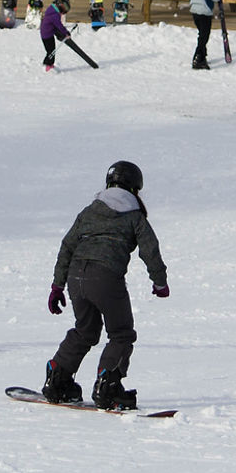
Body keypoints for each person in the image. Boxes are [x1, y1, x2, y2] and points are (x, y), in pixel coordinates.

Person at [42, 160, 169, 410]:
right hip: (106, 277)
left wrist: (57, 286)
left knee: (85, 331)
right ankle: (108, 387)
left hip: (76, 278)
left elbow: (67, 246)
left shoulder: (89, 211)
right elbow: (150, 249)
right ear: (135, 188)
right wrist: (160, 282)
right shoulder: (134, 216)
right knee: (121, 333)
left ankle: (58, 379)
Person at [188, 0, 221, 69]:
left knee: (201, 34)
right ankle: (197, 58)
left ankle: (202, 56)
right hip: (205, 12)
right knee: (204, 36)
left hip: (194, 11)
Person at [40, 0, 81, 70]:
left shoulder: (52, 9)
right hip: (47, 35)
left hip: (48, 31)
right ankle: (48, 65)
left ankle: (48, 63)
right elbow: (59, 25)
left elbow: (57, 25)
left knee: (50, 49)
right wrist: (65, 32)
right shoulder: (55, 15)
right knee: (51, 50)